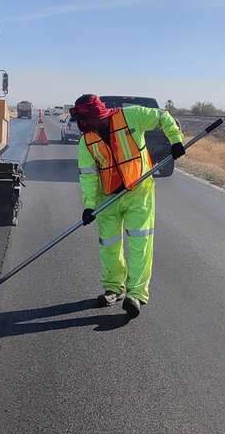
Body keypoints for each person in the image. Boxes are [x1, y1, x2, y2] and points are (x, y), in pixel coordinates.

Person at [72, 94, 186, 319]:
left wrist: (175, 140)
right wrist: (89, 206)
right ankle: (114, 288)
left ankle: (136, 295)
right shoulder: (86, 141)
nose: (81, 124)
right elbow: (88, 175)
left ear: (96, 115)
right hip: (107, 198)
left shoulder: (131, 116)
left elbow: (163, 117)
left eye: (84, 119)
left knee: (139, 244)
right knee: (109, 245)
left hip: (138, 192)